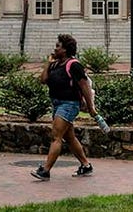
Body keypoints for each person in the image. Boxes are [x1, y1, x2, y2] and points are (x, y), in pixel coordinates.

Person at [31, 33, 96, 180]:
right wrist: (48, 63)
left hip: (69, 104)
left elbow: (84, 86)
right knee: (70, 137)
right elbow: (43, 80)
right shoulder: (55, 64)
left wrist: (90, 107)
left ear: (65, 49)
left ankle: (45, 170)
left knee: (56, 136)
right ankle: (86, 165)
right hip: (57, 103)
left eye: (58, 46)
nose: (55, 49)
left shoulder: (74, 65)